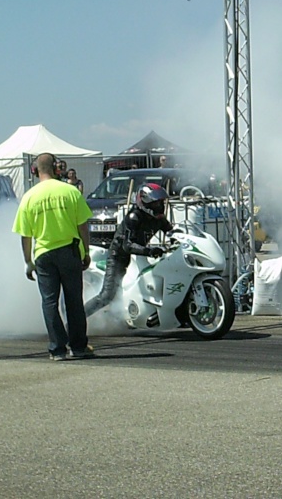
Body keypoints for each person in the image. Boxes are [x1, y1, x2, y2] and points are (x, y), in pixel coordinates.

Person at [12, 153, 94, 360]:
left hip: (44, 255)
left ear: (35, 170)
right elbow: (82, 225)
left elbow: (26, 235)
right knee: (74, 301)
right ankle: (78, 347)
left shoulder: (29, 197)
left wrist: (28, 262)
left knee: (49, 302)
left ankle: (57, 349)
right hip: (69, 251)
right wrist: (86, 251)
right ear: (58, 169)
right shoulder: (70, 191)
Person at [84, 183, 174, 317]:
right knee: (107, 296)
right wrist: (150, 251)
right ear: (146, 203)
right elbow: (128, 245)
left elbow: (171, 231)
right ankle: (76, 321)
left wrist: (179, 238)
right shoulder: (134, 217)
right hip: (118, 257)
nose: (160, 206)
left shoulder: (158, 218)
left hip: (138, 255)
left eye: (161, 202)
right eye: (156, 203)